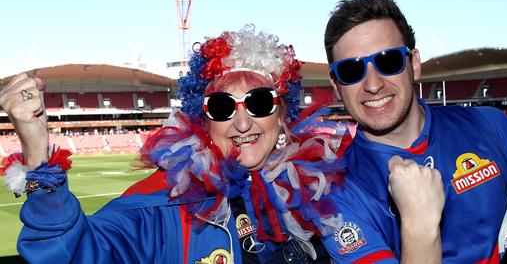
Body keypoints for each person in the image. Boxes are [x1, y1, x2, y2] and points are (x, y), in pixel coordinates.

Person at [0, 25, 349, 263]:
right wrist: (36, 151)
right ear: (204, 120)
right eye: (223, 106)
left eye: (260, 103)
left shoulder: (328, 187)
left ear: (283, 113)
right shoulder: (163, 205)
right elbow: (75, 253)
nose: (243, 123)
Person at [320, 0, 507, 263]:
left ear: (413, 64)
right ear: (335, 85)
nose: (372, 84)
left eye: (388, 61)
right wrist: (418, 225)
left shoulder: (491, 125)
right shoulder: (333, 195)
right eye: (350, 70)